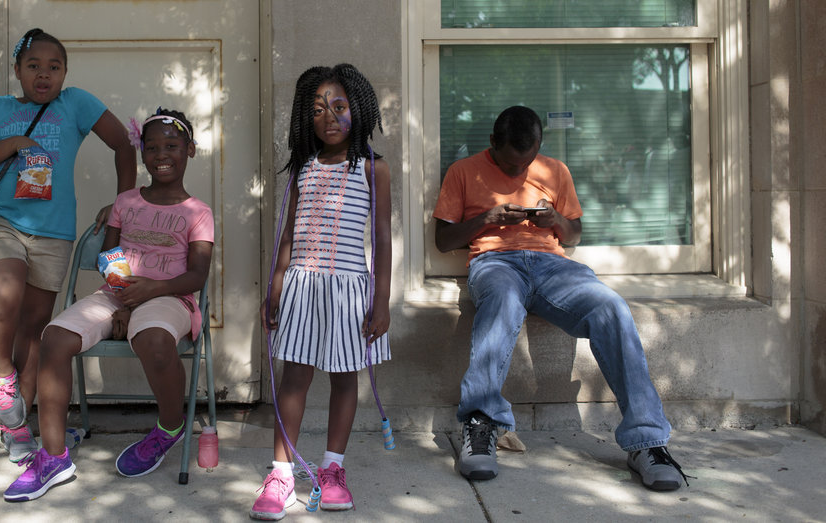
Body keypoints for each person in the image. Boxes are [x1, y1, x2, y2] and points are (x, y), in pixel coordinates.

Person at [433, 105, 689, 492]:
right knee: (501, 301)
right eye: (510, 163)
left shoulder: (555, 171)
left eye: (528, 160)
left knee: (611, 307)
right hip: (495, 261)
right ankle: (481, 424)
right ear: (492, 144)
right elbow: (443, 239)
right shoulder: (463, 171)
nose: (520, 170)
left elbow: (573, 235)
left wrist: (555, 221)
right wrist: (487, 219)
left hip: (553, 267)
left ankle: (647, 442)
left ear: (539, 146)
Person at [3, 107, 214, 501]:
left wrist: (145, 295)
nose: (161, 154)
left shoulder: (198, 212)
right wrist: (124, 299)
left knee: (153, 340)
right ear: (142, 154)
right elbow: (108, 255)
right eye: (152, 147)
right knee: (55, 337)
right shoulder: (126, 202)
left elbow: (197, 275)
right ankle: (52, 458)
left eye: (172, 145)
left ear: (190, 150)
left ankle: (170, 427)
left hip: (170, 296)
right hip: (118, 293)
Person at [0, 28, 137, 463]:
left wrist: (122, 202)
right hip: (1, 221)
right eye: (34, 66)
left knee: (34, 327)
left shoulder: (75, 103)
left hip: (54, 232)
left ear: (64, 73)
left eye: (53, 67)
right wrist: (14, 144)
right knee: (4, 291)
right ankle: (2, 378)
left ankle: (16, 428)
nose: (44, 75)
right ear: (18, 70)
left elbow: (123, 143)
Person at [250, 65, 392, 520]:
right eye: (317, 110)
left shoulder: (374, 169)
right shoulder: (302, 169)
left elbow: (384, 239)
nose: (328, 117)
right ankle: (281, 473)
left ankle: (332, 470)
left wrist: (382, 300)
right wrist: (274, 289)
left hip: (350, 290)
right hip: (301, 287)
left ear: (359, 110)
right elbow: (287, 235)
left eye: (339, 107)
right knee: (295, 376)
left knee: (344, 377)